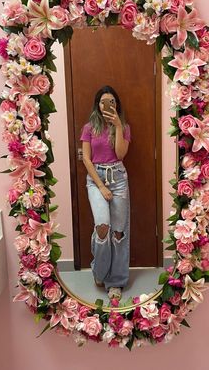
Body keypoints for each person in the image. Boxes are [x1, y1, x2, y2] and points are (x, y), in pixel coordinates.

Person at [80, 85, 131, 300]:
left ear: (116, 104)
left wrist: (118, 126)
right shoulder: (89, 127)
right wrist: (100, 185)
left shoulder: (125, 127)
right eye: (103, 102)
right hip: (96, 179)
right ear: (97, 104)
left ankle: (116, 282)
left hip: (118, 178)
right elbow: (85, 158)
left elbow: (120, 154)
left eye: (111, 101)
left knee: (118, 232)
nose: (106, 105)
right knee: (102, 227)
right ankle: (99, 271)